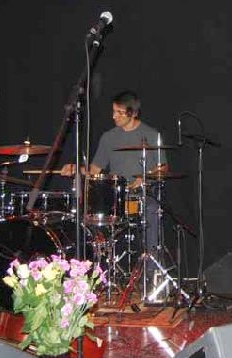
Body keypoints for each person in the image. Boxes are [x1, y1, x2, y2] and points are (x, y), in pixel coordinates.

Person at [61, 90, 169, 260]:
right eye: (113, 111)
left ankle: (151, 266)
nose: (114, 116)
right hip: (114, 198)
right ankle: (99, 265)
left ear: (133, 113)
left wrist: (144, 178)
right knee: (89, 212)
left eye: (119, 112)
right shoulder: (108, 138)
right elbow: (94, 170)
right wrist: (75, 168)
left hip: (143, 195)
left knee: (152, 209)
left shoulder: (151, 135)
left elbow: (163, 169)